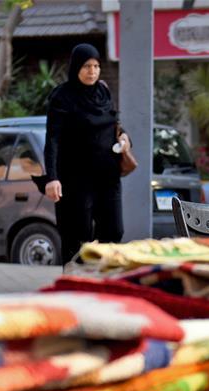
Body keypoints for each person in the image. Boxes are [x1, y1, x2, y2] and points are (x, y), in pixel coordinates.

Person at [42, 43, 130, 264]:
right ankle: (75, 285)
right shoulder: (62, 97)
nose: (92, 71)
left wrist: (125, 137)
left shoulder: (103, 92)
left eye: (96, 66)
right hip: (76, 179)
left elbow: (114, 123)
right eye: (86, 66)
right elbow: (52, 139)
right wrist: (52, 177)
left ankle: (104, 282)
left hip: (108, 176)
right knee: (77, 237)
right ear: (75, 68)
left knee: (114, 231)